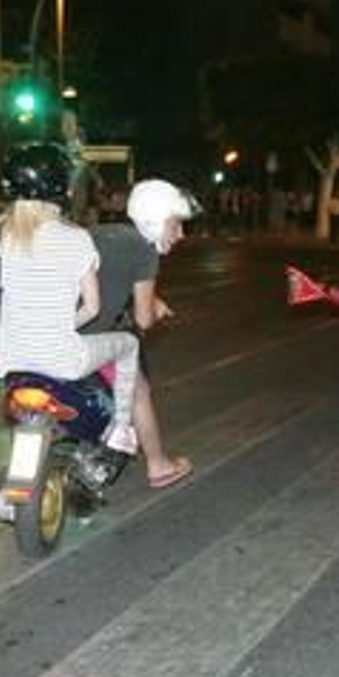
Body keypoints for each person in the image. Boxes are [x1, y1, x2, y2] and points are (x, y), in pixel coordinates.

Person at [0, 144, 141, 461]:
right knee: (129, 345)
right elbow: (92, 307)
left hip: (10, 361)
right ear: (63, 187)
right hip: (62, 359)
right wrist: (60, 324)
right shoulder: (76, 238)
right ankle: (121, 428)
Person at [80, 178, 197, 490]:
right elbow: (143, 320)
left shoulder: (100, 232)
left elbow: (109, 278)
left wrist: (151, 298)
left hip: (57, 331)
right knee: (138, 390)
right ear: (156, 221)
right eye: (175, 224)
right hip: (91, 340)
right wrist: (155, 310)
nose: (181, 234)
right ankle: (158, 465)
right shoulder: (145, 253)